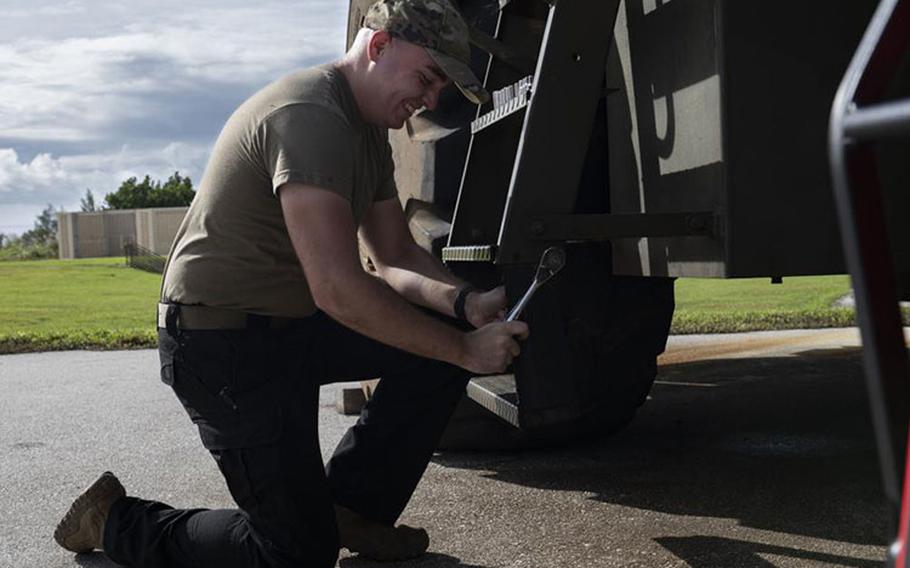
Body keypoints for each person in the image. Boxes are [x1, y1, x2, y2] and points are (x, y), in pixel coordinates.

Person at [53, 0, 529, 566]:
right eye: (427, 78)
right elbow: (338, 287)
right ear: (378, 47)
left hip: (291, 327)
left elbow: (396, 255)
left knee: (437, 349)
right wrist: (465, 350)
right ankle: (113, 520)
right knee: (296, 554)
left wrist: (466, 305)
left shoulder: (367, 131)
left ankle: (352, 508)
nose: (430, 100)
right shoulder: (311, 114)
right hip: (221, 344)